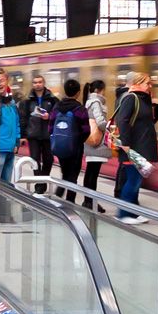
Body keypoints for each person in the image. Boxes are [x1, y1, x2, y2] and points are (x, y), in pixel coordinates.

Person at [111, 70, 158, 225]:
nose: (150, 86)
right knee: (132, 181)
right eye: (147, 83)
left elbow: (147, 122)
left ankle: (132, 213)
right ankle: (123, 214)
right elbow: (122, 120)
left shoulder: (144, 99)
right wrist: (125, 143)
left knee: (135, 181)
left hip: (142, 147)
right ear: (138, 83)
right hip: (133, 148)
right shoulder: (131, 98)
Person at [49, 78, 94, 206]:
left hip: (60, 146)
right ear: (78, 93)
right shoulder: (79, 109)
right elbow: (86, 130)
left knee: (65, 171)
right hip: (75, 147)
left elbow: (50, 127)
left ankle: (60, 192)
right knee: (73, 175)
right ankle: (70, 201)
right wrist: (79, 140)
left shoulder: (56, 107)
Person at [82, 79, 112, 214]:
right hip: (97, 142)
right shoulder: (96, 102)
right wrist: (110, 128)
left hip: (90, 140)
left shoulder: (89, 101)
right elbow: (100, 121)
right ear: (99, 90)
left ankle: (88, 200)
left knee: (90, 172)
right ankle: (91, 201)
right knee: (93, 174)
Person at [21, 74, 56, 179]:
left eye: (40, 82)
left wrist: (49, 116)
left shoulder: (53, 100)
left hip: (47, 135)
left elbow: (57, 115)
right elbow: (23, 118)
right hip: (33, 135)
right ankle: (39, 184)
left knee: (48, 159)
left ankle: (43, 179)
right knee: (34, 160)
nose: (37, 84)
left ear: (44, 83)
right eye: (35, 82)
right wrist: (23, 135)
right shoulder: (27, 101)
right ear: (32, 84)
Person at [0, 78, 22, 183]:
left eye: (2, 80)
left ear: (7, 82)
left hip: (10, 149)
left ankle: (3, 200)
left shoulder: (11, 103)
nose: (0, 83)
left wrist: (16, 142)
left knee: (6, 185)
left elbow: (16, 123)